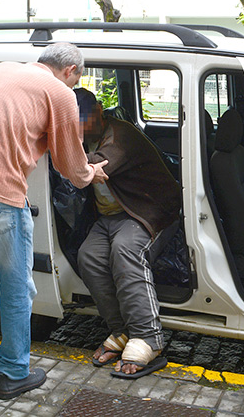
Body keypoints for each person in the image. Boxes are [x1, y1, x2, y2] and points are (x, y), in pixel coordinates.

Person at [0, 43, 109, 400]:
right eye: (77, 79)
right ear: (71, 70)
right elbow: (70, 167)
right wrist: (91, 173)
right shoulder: (59, 92)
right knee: (16, 290)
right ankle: (13, 374)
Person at [74, 88, 181, 379]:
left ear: (98, 110)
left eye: (86, 119)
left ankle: (149, 338)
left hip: (147, 211)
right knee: (88, 256)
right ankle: (121, 331)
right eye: (75, 123)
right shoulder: (80, 137)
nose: (82, 128)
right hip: (112, 215)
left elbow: (91, 167)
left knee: (126, 250)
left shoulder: (120, 135)